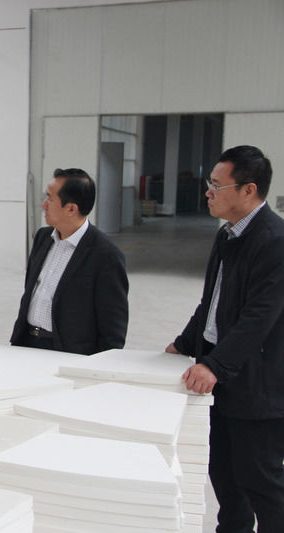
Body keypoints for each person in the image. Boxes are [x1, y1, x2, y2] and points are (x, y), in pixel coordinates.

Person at [165, 145, 284, 533]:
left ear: (248, 190)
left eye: (217, 185)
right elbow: (211, 303)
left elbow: (258, 318)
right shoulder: (227, 235)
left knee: (261, 482)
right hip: (222, 376)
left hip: (257, 386)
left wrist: (214, 366)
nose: (208, 192)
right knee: (225, 480)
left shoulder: (275, 241)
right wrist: (184, 344)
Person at [10, 168, 128, 354]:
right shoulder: (43, 238)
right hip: (27, 344)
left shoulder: (106, 255)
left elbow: (113, 330)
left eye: (50, 199)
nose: (44, 204)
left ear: (71, 208)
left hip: (68, 353)